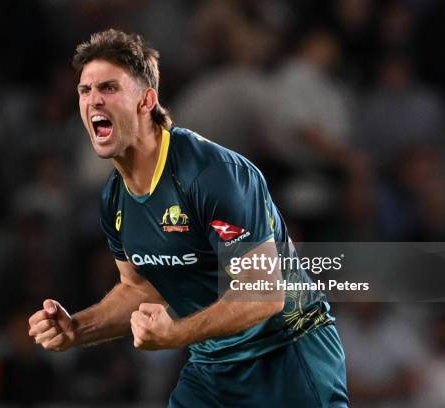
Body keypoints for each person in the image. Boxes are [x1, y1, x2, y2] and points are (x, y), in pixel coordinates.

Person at [28, 29, 349, 407]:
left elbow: (263, 294)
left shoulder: (212, 174)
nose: (93, 100)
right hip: (212, 366)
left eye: (109, 87)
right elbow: (140, 288)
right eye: (85, 90)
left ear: (146, 100)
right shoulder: (113, 198)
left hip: (286, 356)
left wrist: (175, 333)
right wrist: (77, 329)